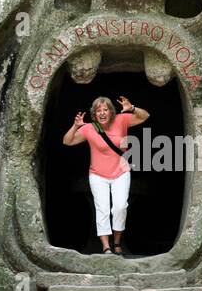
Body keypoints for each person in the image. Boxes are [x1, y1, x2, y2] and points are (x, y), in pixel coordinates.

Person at [63, 95, 150, 255]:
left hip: (121, 172)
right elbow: (67, 141)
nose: (102, 113)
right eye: (98, 111)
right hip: (98, 175)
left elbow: (145, 116)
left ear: (111, 112)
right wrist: (75, 126)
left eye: (105, 110)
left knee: (120, 207)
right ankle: (106, 247)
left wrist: (132, 108)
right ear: (94, 114)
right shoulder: (90, 128)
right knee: (102, 209)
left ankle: (116, 242)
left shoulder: (121, 120)